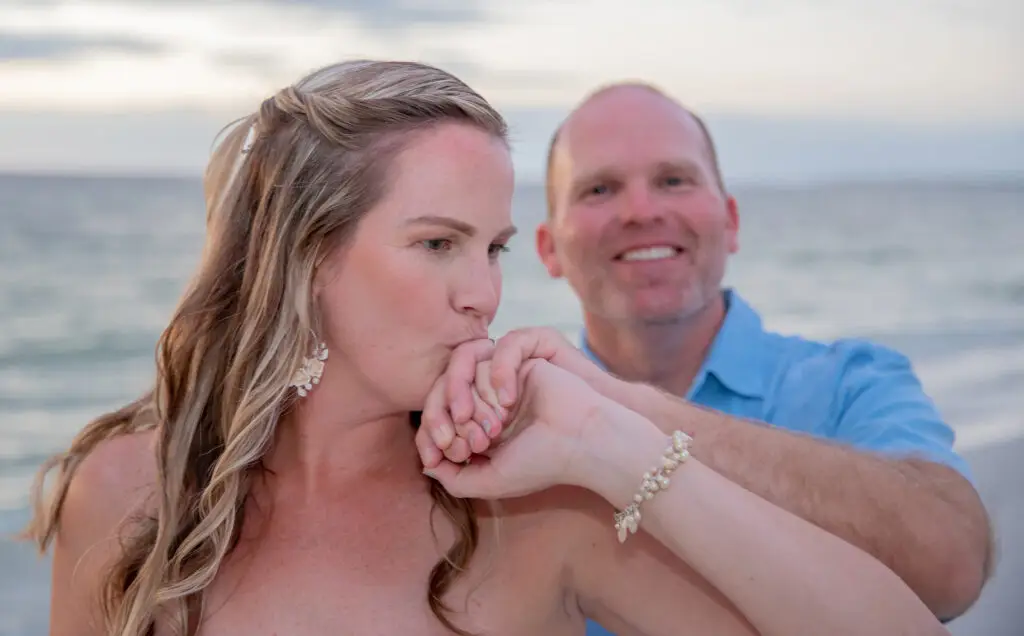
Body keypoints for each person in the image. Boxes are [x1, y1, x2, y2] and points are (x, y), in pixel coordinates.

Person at [25, 59, 950, 636]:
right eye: (438, 244)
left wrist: (613, 442)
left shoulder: (533, 511)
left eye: (494, 249)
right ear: (307, 258)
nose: (485, 293)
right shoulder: (126, 492)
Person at [524, 81, 994, 635]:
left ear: (731, 222)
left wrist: (632, 416)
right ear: (548, 248)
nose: (641, 211)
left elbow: (954, 566)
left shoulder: (850, 384)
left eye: (673, 180)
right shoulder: (516, 437)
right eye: (599, 189)